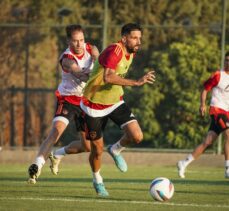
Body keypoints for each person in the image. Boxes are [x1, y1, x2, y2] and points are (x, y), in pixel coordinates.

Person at [80, 23, 155, 196]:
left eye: (139, 38)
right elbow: (108, 77)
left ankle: (115, 149)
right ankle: (97, 180)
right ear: (124, 38)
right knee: (97, 151)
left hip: (114, 101)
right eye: (134, 38)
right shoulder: (115, 50)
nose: (138, 42)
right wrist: (136, 82)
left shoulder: (131, 52)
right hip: (93, 106)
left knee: (137, 136)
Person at [27, 24, 99, 184]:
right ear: (68, 41)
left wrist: (97, 57)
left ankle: (58, 154)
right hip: (67, 100)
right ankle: (37, 165)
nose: (79, 44)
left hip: (85, 102)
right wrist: (98, 67)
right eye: (75, 41)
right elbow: (81, 75)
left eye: (81, 40)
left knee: (87, 146)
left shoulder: (91, 48)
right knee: (56, 132)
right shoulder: (66, 59)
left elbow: (98, 59)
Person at [177, 51, 229, 179]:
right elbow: (205, 89)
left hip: (227, 112)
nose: (228, 62)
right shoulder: (218, 75)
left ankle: (184, 163)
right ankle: (228, 169)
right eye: (227, 60)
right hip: (217, 110)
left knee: (208, 142)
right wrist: (202, 104)